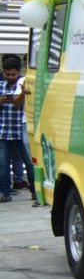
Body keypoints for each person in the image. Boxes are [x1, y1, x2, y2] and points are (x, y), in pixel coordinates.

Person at [0, 55, 37, 205]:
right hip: (3, 132)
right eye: (7, 74)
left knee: (29, 163)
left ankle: (35, 191)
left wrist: (21, 94)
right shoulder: (1, 85)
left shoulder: (24, 83)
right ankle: (4, 192)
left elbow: (17, 104)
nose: (10, 77)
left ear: (19, 71)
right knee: (3, 163)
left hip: (20, 131)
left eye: (13, 74)